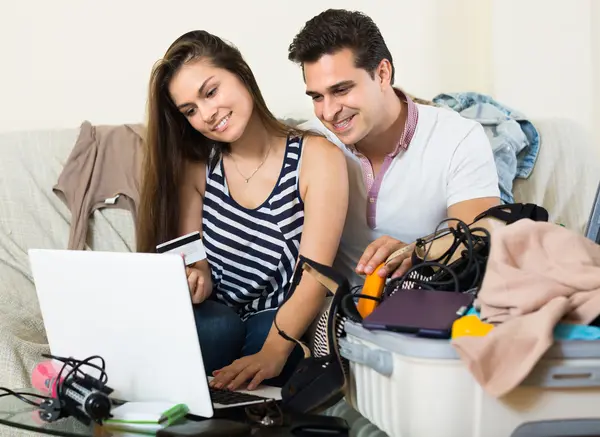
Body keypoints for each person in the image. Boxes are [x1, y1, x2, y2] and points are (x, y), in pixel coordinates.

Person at [136, 30, 349, 391]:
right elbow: (193, 253)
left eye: (211, 92)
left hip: (278, 315)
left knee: (279, 349)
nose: (206, 114)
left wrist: (273, 352)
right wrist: (195, 273)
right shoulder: (197, 164)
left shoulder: (318, 158)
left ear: (241, 73)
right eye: (190, 110)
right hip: (218, 313)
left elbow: (317, 278)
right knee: (215, 328)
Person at [287, 9, 501, 287]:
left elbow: (477, 240)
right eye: (317, 96)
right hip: (341, 305)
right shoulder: (312, 142)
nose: (328, 112)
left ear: (383, 74)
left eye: (341, 90)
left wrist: (419, 251)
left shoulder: (458, 137)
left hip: (429, 294)